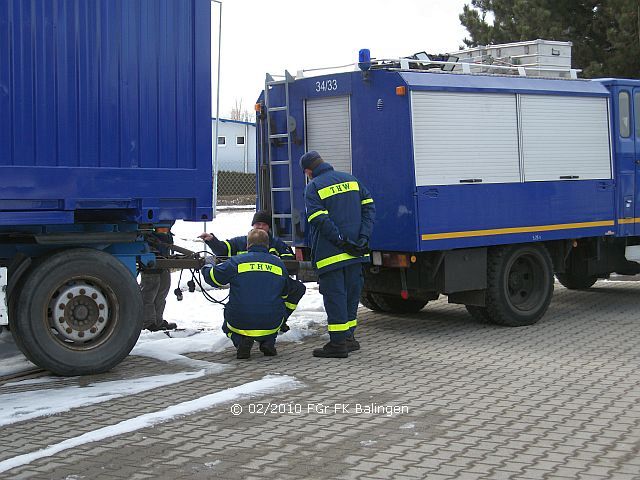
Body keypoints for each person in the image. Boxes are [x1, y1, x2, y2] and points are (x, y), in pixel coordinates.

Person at [300, 151, 375, 358]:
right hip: (356, 253)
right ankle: (349, 338)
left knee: (335, 297)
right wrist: (363, 237)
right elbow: (369, 209)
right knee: (352, 295)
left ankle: (338, 343)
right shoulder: (351, 180)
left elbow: (319, 220)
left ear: (308, 171)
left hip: (331, 254)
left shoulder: (313, 187)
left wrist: (341, 240)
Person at [198, 210, 305, 328]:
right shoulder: (240, 241)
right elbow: (223, 250)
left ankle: (281, 318)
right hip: (248, 282)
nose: (260, 227)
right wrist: (212, 241)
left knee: (297, 289)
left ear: (269, 227)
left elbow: (289, 261)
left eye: (264, 224)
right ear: (252, 225)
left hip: (270, 282)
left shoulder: (277, 243)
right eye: (257, 224)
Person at [201, 229, 288, 359]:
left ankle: (241, 341)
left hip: (240, 319)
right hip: (271, 322)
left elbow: (214, 279)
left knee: (227, 326)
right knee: (276, 309)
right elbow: (285, 292)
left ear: (247, 245)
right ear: (268, 245)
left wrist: (207, 265)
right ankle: (268, 341)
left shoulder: (236, 262)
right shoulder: (279, 264)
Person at [140, 225, 178, 332]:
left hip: (163, 252)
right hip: (151, 252)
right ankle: (148, 322)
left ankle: (157, 321)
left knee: (162, 289)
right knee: (150, 290)